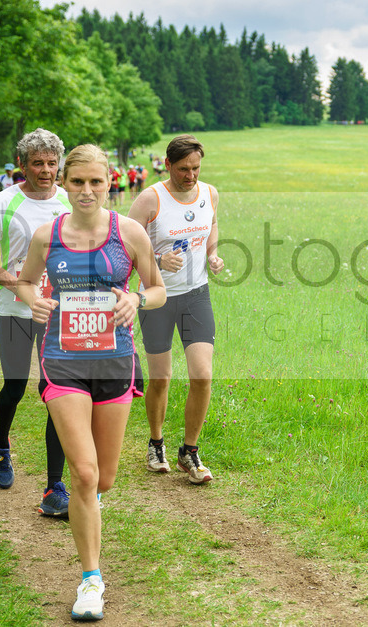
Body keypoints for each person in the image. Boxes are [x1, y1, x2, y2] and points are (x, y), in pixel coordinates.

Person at [17, 144, 165, 621]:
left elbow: (158, 289)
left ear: (109, 183)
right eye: (76, 182)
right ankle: (90, 582)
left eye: (95, 182)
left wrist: (137, 301)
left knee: (103, 478)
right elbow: (24, 282)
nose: (85, 191)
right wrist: (34, 301)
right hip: (62, 362)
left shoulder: (130, 233)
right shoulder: (47, 236)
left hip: (115, 363)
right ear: (64, 182)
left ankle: (89, 508)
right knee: (82, 474)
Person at [0, 128, 73, 517]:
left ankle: (54, 486)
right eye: (37, 163)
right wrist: (21, 288)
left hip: (60, 313)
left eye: (51, 163)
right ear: (22, 165)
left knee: (57, 393)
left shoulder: (69, 199)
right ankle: (0, 445)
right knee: (13, 388)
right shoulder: (3, 201)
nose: (46, 170)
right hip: (15, 312)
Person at [128, 134, 224, 484]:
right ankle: (156, 443)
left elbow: (211, 223)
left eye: (196, 168)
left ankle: (190, 450)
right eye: (184, 169)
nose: (191, 176)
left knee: (202, 374)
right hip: (158, 298)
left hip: (196, 295)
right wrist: (155, 258)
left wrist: (212, 254)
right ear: (168, 165)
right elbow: (123, 244)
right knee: (162, 377)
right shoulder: (150, 199)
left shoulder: (209, 193)